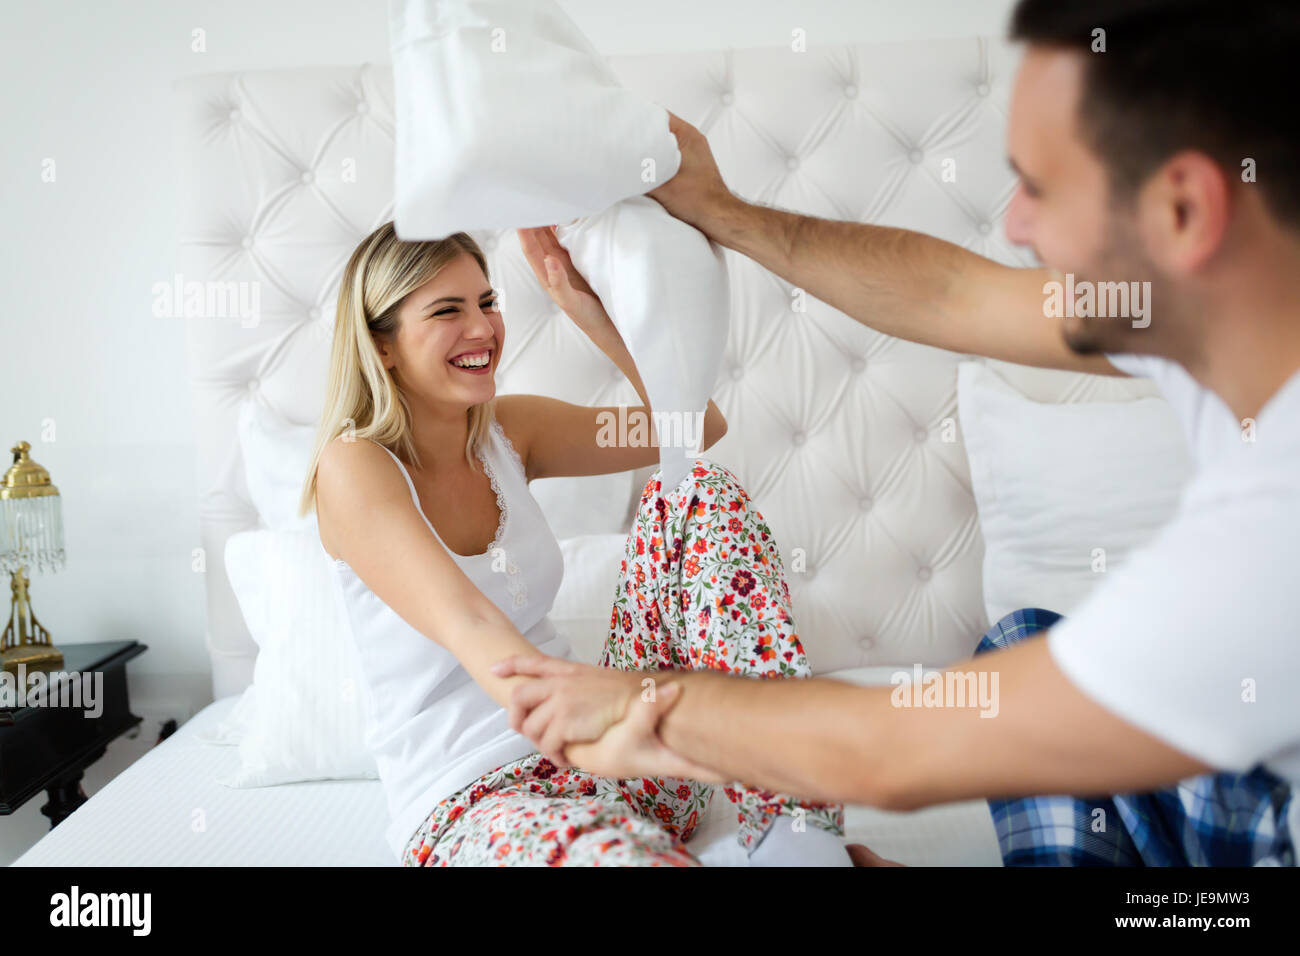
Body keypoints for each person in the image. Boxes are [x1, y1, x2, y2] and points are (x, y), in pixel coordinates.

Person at [491, 0, 1300, 866]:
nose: (1016, 226)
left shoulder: (1268, 545)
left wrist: (639, 705)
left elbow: (892, 751)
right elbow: (952, 293)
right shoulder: (1202, 311)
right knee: (1024, 636)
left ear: (1182, 211)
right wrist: (723, 210)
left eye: (1040, 187)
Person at [303, 221, 849, 866]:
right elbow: (471, 620)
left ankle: (798, 834)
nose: (481, 328)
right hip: (479, 802)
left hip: (626, 768)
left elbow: (697, 426)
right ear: (381, 344)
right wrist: (597, 733)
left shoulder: (512, 429)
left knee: (695, 491)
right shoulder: (354, 465)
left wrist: (589, 314)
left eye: (487, 303)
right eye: (447, 310)